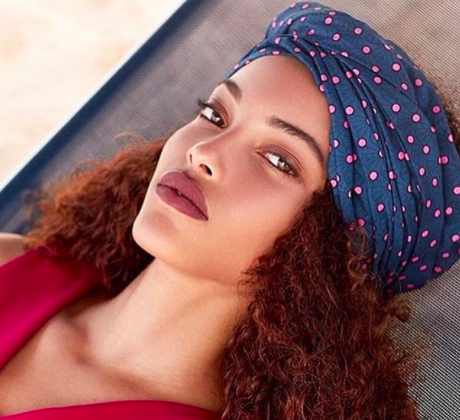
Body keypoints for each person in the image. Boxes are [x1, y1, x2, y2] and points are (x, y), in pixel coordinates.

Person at [0, 1, 459, 419]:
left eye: (279, 160)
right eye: (216, 115)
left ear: (336, 253)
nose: (204, 152)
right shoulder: (12, 260)